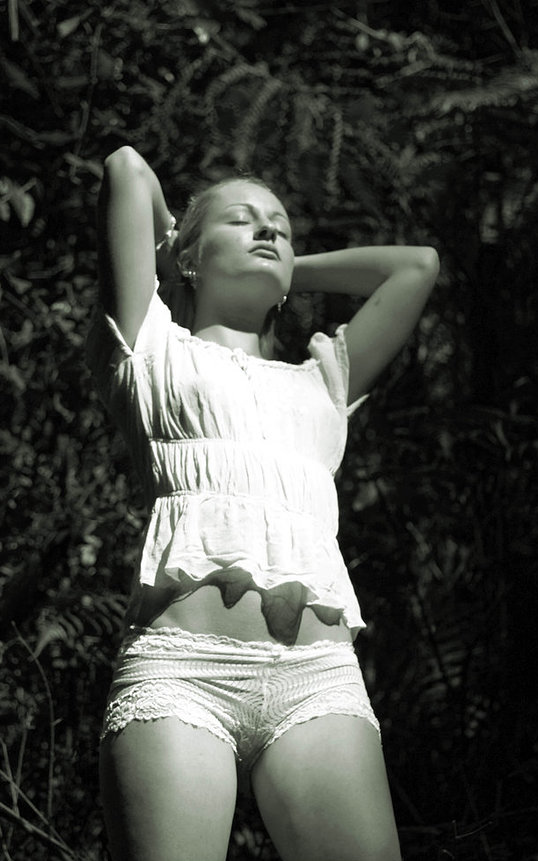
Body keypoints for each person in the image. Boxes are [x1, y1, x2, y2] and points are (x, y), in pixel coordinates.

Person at [86, 144, 439, 861]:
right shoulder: (153, 350)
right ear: (187, 257)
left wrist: (281, 266)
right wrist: (181, 246)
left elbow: (416, 266)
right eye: (243, 220)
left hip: (320, 683)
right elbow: (126, 168)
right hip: (183, 672)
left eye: (280, 225)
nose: (269, 229)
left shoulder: (323, 381)